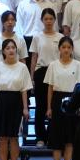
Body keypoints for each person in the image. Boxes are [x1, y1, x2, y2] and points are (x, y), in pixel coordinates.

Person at [0, 38, 33, 160]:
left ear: (16, 50)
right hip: (1, 102)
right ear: (3, 51)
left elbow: (24, 89)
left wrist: (25, 108)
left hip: (16, 102)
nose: (11, 50)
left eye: (13, 47)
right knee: (2, 138)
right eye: (8, 48)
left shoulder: (22, 67)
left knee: (14, 137)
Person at [45, 36, 80, 160]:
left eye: (69, 47)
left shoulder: (78, 65)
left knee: (70, 137)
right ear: (59, 49)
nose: (66, 50)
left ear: (72, 49)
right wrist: (49, 107)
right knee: (56, 137)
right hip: (57, 100)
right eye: (63, 47)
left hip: (72, 100)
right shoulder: (53, 65)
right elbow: (50, 88)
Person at [30, 8, 64, 147]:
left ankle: (51, 136)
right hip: (41, 72)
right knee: (41, 106)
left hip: (56, 72)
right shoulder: (37, 37)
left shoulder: (60, 37)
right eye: (46, 19)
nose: (48, 21)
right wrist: (32, 77)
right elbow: (34, 58)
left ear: (55, 20)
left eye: (51, 19)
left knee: (54, 105)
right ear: (42, 20)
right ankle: (40, 137)